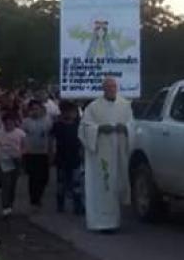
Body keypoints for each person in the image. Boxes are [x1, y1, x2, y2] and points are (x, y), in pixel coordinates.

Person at [78, 78, 133, 232]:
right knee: (104, 185)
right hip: (101, 152)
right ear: (103, 89)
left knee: (116, 184)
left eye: (113, 86)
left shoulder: (125, 105)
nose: (111, 89)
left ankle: (116, 221)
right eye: (108, 87)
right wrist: (100, 129)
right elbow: (84, 128)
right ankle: (102, 223)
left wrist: (126, 128)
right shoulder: (93, 107)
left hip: (119, 151)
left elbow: (133, 124)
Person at [51, 100, 84, 215]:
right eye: (67, 111)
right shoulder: (57, 125)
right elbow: (52, 141)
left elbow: (82, 141)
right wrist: (51, 154)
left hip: (75, 157)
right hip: (61, 157)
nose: (70, 114)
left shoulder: (79, 125)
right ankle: (60, 204)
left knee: (76, 183)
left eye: (72, 111)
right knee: (61, 183)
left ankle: (78, 206)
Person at [21, 100, 53, 212]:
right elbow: (21, 137)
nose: (35, 111)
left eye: (37, 108)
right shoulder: (26, 122)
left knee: (44, 177)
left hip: (43, 152)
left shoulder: (48, 121)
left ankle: (39, 195)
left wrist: (51, 152)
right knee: (33, 177)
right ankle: (34, 199)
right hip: (30, 153)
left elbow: (51, 138)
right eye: (32, 109)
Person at [0, 112, 26, 217]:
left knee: (13, 185)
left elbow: (24, 146)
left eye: (11, 123)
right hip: (3, 161)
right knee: (6, 184)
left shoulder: (20, 133)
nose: (9, 125)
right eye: (7, 123)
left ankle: (10, 204)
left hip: (16, 160)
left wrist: (21, 155)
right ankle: (5, 206)